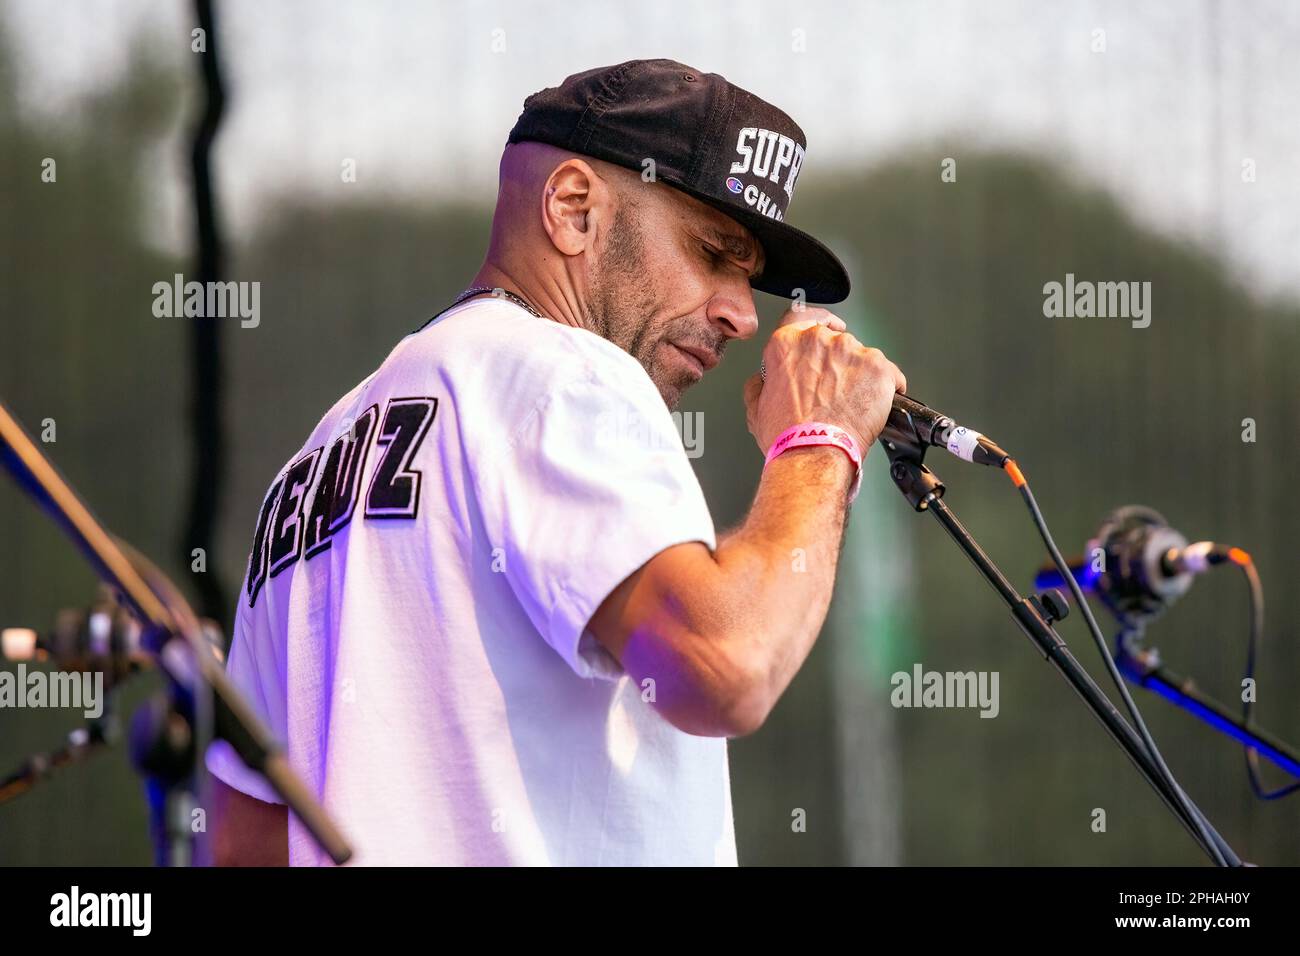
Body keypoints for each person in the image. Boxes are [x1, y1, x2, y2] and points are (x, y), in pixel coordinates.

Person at [208, 58, 906, 865]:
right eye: (714, 254)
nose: (743, 314)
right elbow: (728, 663)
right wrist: (818, 441)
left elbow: (241, 838)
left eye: (749, 279)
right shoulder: (564, 373)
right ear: (573, 211)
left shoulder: (317, 459)